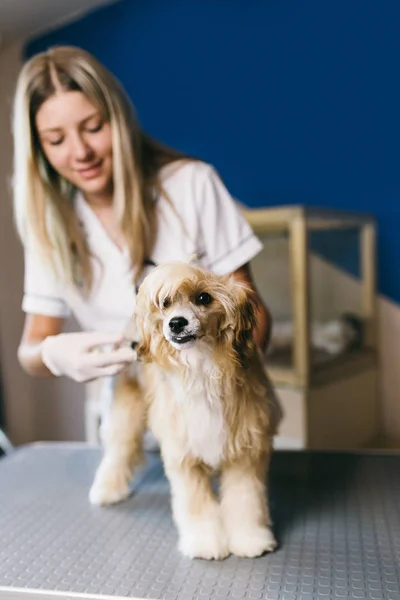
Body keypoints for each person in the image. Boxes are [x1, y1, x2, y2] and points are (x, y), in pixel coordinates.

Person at [12, 45, 271, 389]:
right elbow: (30, 348)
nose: (80, 152)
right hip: (128, 400)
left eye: (92, 127)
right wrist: (51, 353)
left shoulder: (191, 185)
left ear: (118, 120)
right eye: (56, 140)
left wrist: (222, 382)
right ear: (39, 148)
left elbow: (251, 311)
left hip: (213, 393)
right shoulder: (48, 223)